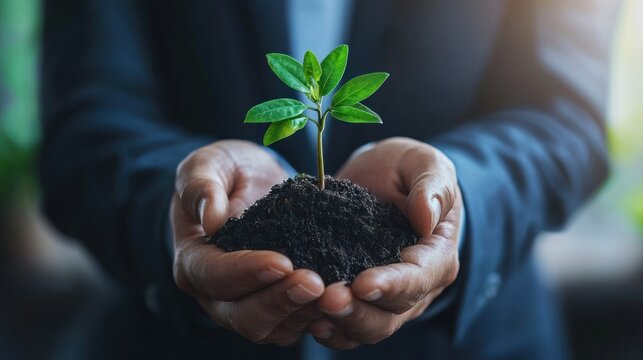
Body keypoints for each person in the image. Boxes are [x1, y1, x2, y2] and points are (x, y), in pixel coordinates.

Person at [39, 0, 619, 358]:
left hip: (477, 344)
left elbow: (565, 118)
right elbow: (86, 119)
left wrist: (453, 201)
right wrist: (186, 212)